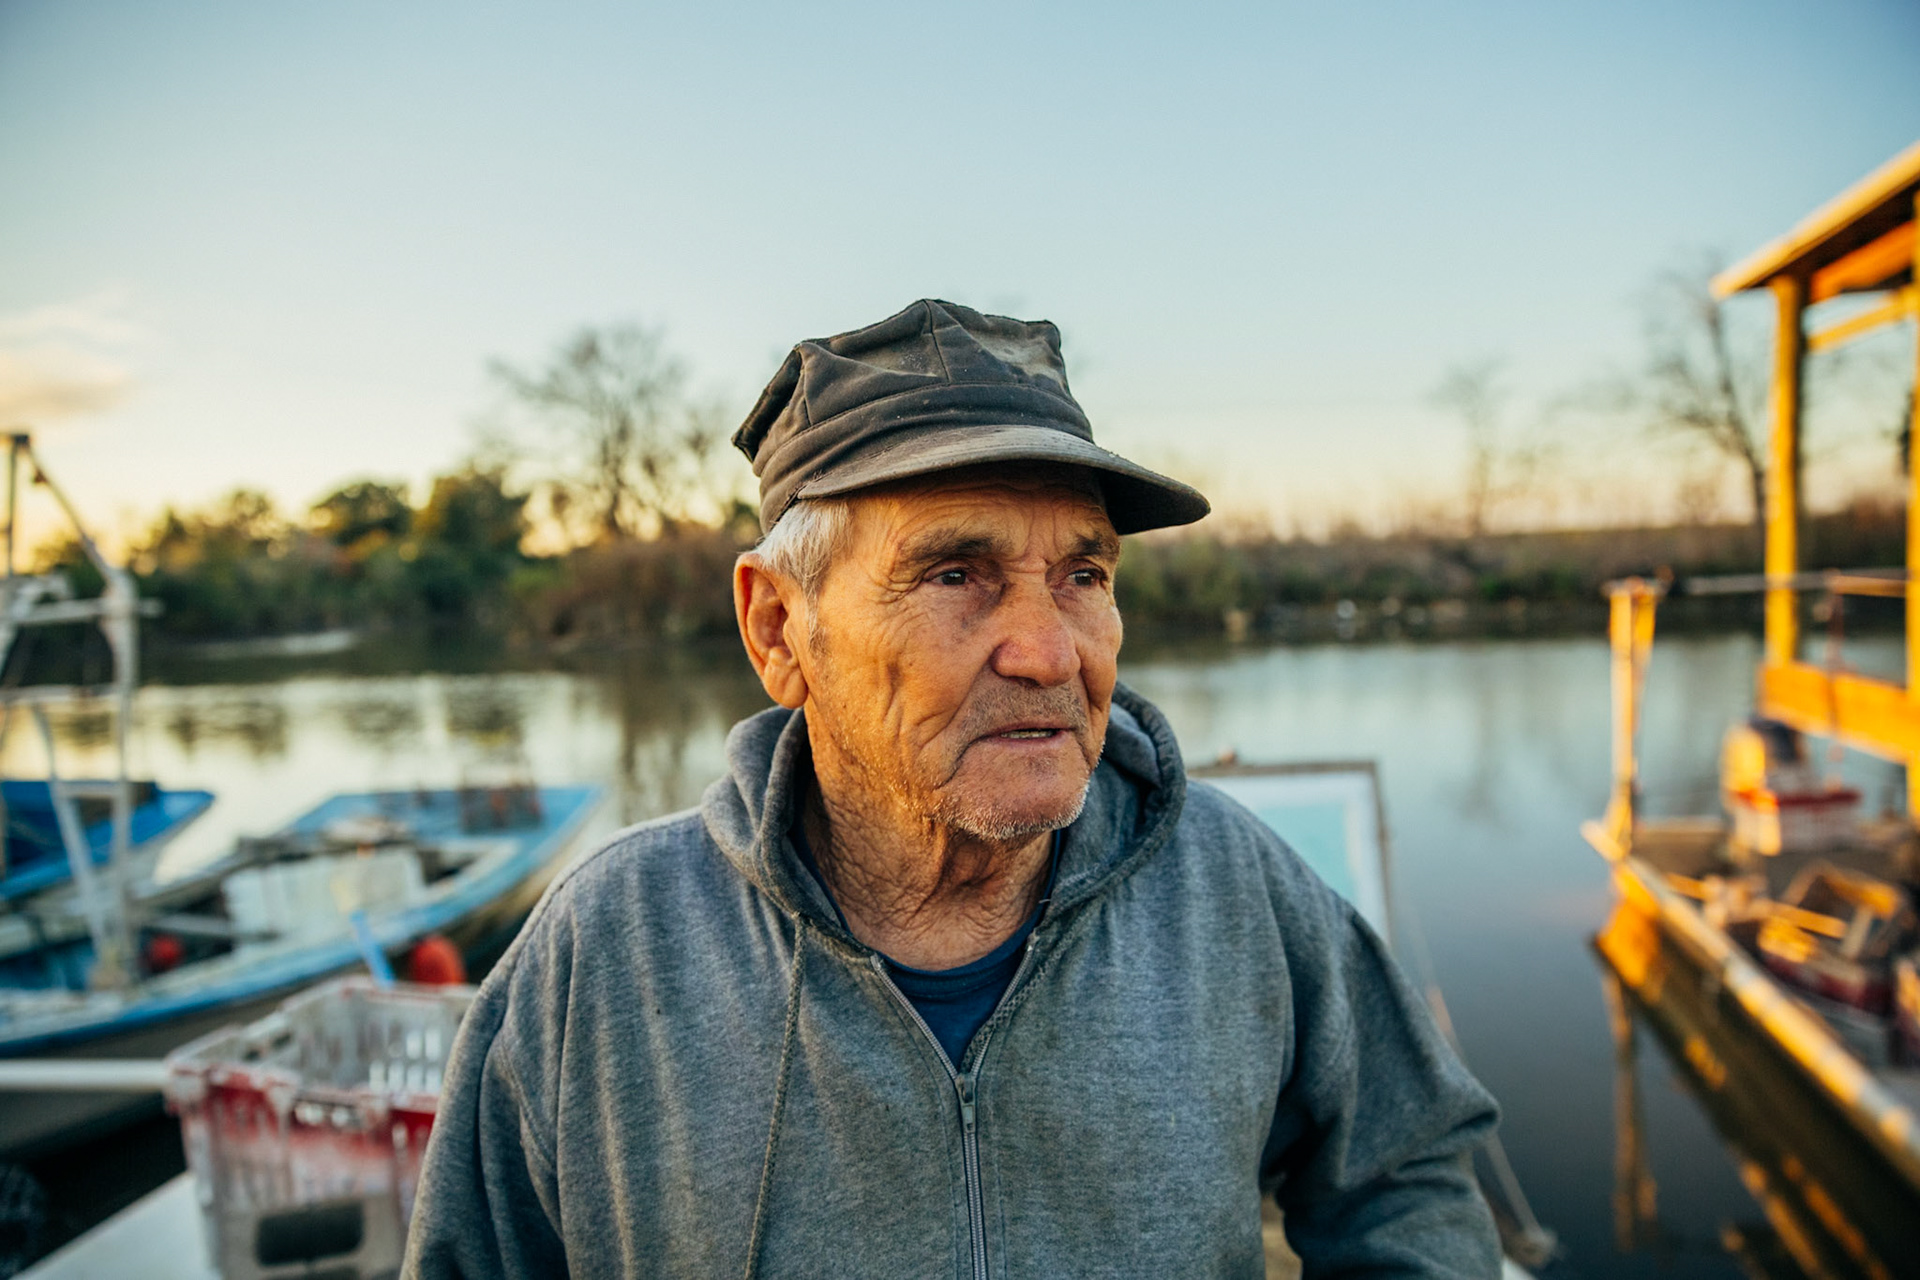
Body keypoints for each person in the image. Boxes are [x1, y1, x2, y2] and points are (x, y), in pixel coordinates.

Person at [403, 299, 1500, 1278]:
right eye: (953, 573)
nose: (1048, 650)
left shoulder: (1229, 884)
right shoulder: (608, 956)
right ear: (780, 628)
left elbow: (1405, 1161)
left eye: (1084, 575)